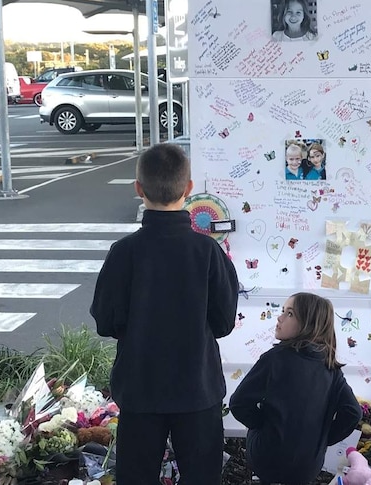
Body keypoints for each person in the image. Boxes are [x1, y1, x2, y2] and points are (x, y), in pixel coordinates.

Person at [90, 143, 240, 485]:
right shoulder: (208, 252)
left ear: (139, 189)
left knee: (136, 477)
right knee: (202, 478)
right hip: (197, 388)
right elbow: (224, 322)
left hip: (140, 387)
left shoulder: (124, 253)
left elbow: (105, 321)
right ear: (189, 189)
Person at [230, 292, 362, 485]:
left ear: (308, 324)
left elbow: (238, 403)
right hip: (308, 465)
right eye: (282, 311)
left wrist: (261, 425)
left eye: (289, 314)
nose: (279, 317)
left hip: (267, 458)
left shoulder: (274, 359)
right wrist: (322, 439)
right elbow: (353, 413)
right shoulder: (330, 367)